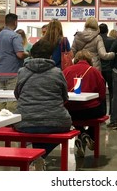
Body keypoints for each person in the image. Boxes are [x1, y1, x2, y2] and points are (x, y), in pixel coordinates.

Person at [13, 39, 72, 170]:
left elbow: (17, 95)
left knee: (36, 126)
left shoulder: (22, 72)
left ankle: (37, 155)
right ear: (51, 56)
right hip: (56, 121)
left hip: (25, 121)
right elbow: (65, 97)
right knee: (50, 127)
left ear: (32, 55)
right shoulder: (57, 72)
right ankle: (41, 155)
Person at [63, 50, 106, 157]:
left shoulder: (66, 70)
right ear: (89, 60)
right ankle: (89, 135)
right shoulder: (94, 71)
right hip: (91, 111)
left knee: (73, 117)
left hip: (70, 110)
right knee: (100, 109)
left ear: (76, 60)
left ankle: (81, 133)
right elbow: (102, 94)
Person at [0, 13, 29, 112]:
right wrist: (28, 54)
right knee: (12, 99)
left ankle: (0, 123)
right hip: (13, 73)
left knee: (1, 100)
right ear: (15, 22)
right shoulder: (15, 36)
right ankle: (11, 123)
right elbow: (20, 54)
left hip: (0, 72)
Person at [98, 23, 115, 115]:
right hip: (110, 69)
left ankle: (102, 112)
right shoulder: (112, 40)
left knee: (101, 92)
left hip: (99, 69)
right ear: (107, 30)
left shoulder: (96, 40)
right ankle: (112, 112)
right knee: (112, 91)